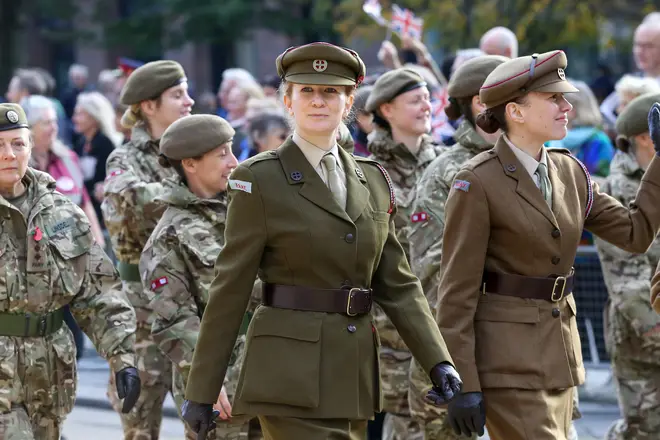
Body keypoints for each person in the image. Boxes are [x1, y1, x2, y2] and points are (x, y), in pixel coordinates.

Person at [181, 42, 462, 440]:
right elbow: (230, 287)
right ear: (288, 102)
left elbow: (398, 285)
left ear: (349, 103)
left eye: (331, 91)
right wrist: (202, 390)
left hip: (353, 374)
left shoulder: (374, 180)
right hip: (288, 375)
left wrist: (439, 361)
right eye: (306, 91)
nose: (319, 101)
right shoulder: (258, 179)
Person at [432, 50, 660, 440]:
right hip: (508, 363)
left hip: (560, 358)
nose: (567, 105)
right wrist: (463, 383)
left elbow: (635, 233)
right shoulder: (477, 182)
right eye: (553, 98)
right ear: (516, 112)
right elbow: (456, 293)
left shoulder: (568, 171)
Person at [0, 103, 140, 439]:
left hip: (51, 375)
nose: (9, 154)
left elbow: (97, 291)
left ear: (30, 148)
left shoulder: (60, 212)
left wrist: (122, 356)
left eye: (18, 144)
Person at [140, 114, 263, 439]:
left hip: (272, 363)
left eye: (232, 150)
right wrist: (207, 380)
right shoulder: (169, 236)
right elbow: (174, 321)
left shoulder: (250, 208)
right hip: (220, 380)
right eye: (222, 154)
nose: (234, 162)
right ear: (190, 164)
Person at [407, 54, 506, 440]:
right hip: (464, 355)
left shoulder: (530, 164)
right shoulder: (452, 173)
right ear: (481, 104)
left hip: (518, 349)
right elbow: (435, 276)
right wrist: (456, 369)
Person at [102, 60, 195, 439]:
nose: (189, 102)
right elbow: (129, 198)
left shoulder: (198, 151)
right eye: (178, 95)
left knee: (207, 423)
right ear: (149, 106)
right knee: (140, 425)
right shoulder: (125, 159)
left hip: (192, 304)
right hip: (142, 311)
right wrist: (192, 194)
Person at [362, 67, 445, 440]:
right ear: (387, 110)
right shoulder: (367, 173)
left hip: (442, 320)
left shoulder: (445, 166)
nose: (426, 106)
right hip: (388, 332)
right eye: (415, 100)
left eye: (428, 98)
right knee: (396, 423)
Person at [595, 92, 660, 439]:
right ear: (645, 137)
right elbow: (628, 283)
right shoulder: (620, 192)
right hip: (643, 337)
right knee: (645, 430)